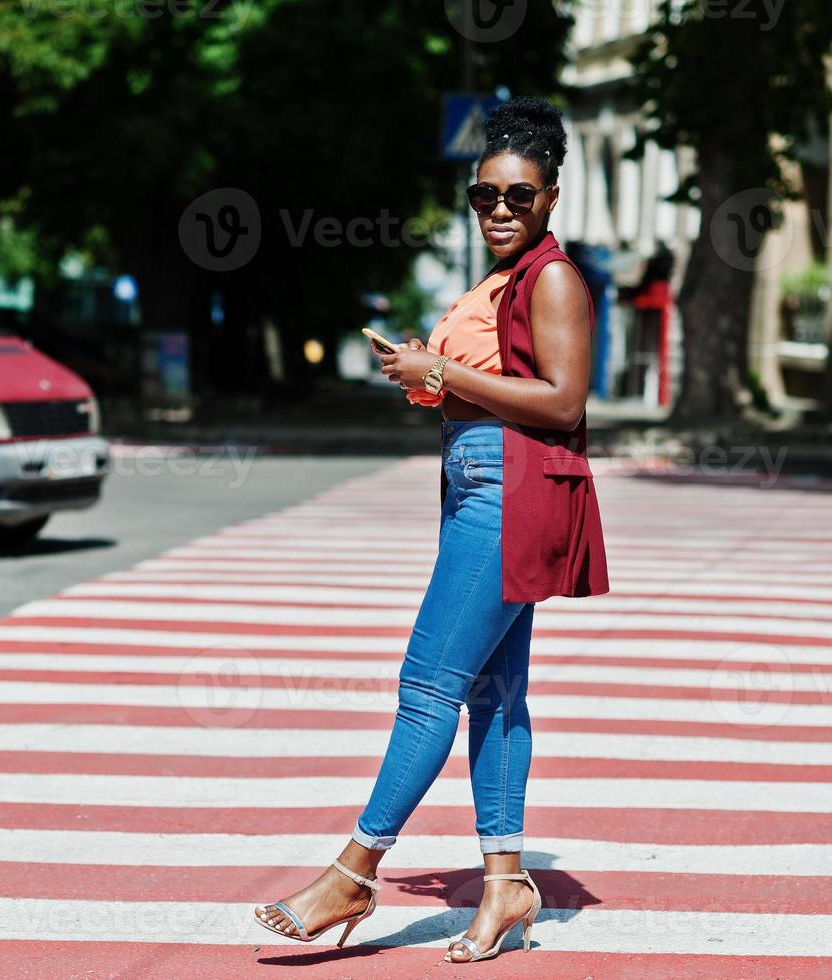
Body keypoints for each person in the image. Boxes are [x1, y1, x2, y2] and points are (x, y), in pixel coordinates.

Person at [251, 96, 609, 963]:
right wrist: (432, 383)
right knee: (494, 694)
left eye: (516, 197)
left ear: (550, 198)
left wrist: (441, 369)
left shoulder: (552, 278)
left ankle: (354, 870)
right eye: (484, 194)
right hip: (481, 481)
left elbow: (563, 401)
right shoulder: (504, 279)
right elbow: (499, 385)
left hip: (508, 494)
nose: (497, 210)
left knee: (426, 687)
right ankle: (505, 886)